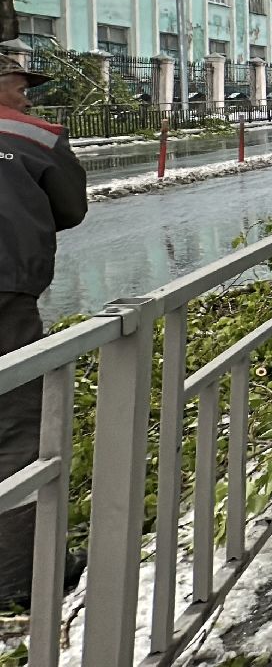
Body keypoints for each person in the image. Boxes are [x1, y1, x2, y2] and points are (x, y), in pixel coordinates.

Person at [0, 55, 89, 610]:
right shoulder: (33, 138)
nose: (29, 97)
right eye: (19, 85)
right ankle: (17, 581)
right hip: (6, 297)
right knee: (14, 430)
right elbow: (71, 208)